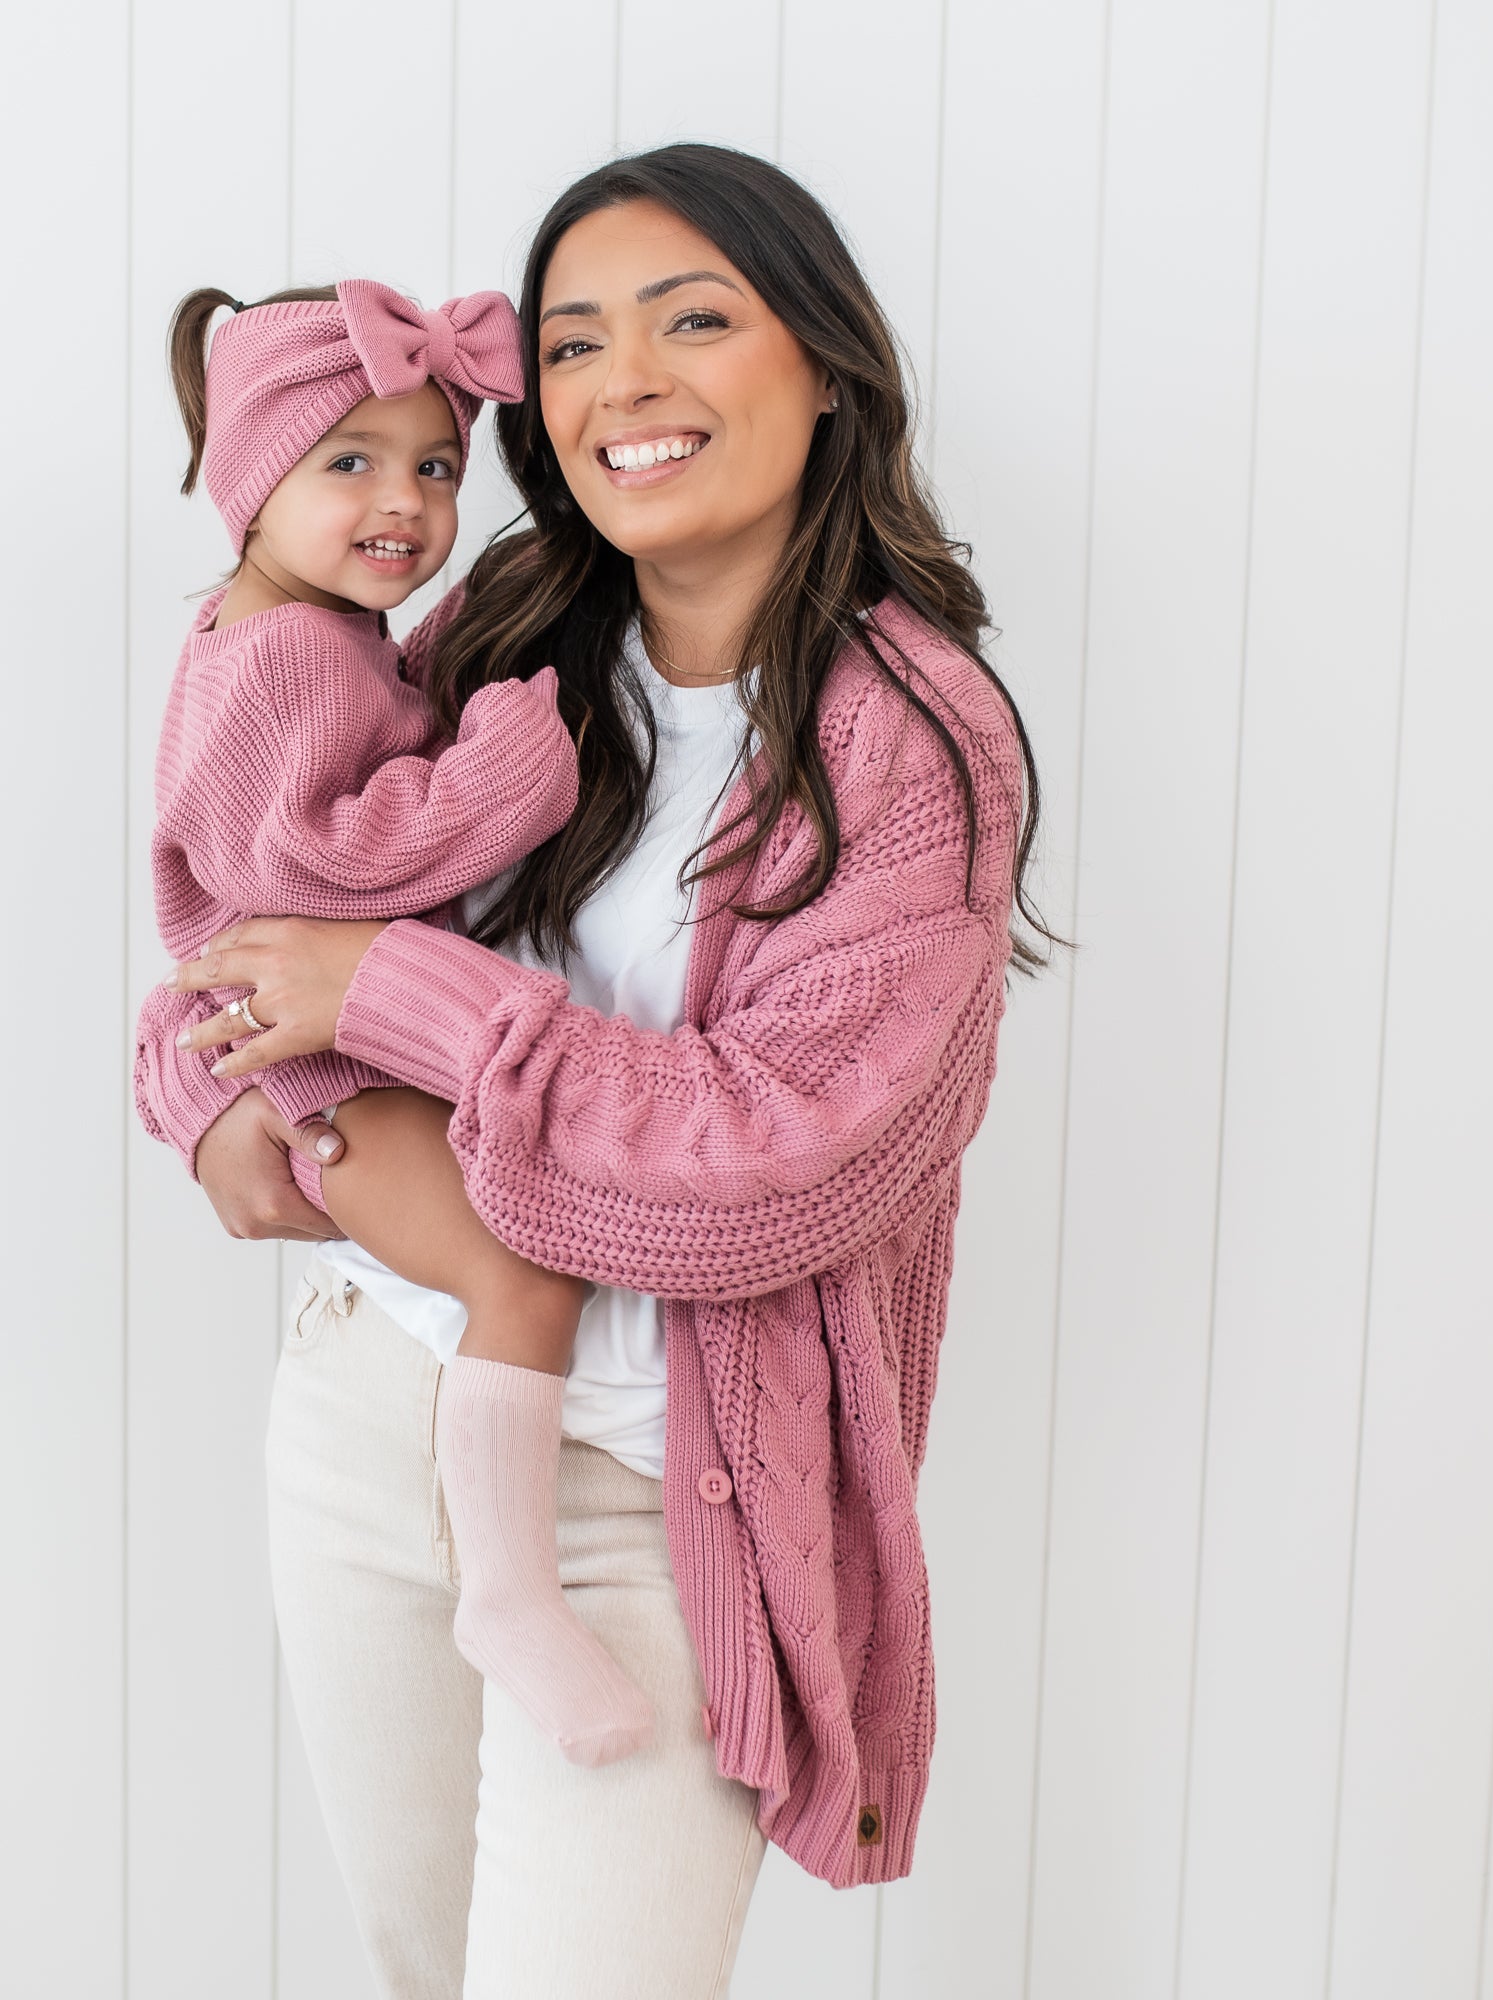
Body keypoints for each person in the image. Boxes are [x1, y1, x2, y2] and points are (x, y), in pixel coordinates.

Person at [136, 143, 1057, 2000]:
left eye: (692, 321)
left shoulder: (916, 745)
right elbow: (255, 875)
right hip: (364, 1424)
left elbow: (771, 1167)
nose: (621, 382)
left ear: (826, 365)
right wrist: (205, 1086)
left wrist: (387, 999)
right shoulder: (511, 640)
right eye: (570, 346)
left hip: (656, 1500)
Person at [136, 277, 656, 1764]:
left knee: (523, 1268)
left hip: (329, 1049)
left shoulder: (304, 633)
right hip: (335, 1067)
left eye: (435, 465)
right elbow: (324, 864)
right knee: (524, 1279)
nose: (407, 503)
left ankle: (503, 1589)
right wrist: (506, 764)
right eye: (349, 461)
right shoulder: (293, 649)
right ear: (252, 487)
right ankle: (508, 1592)